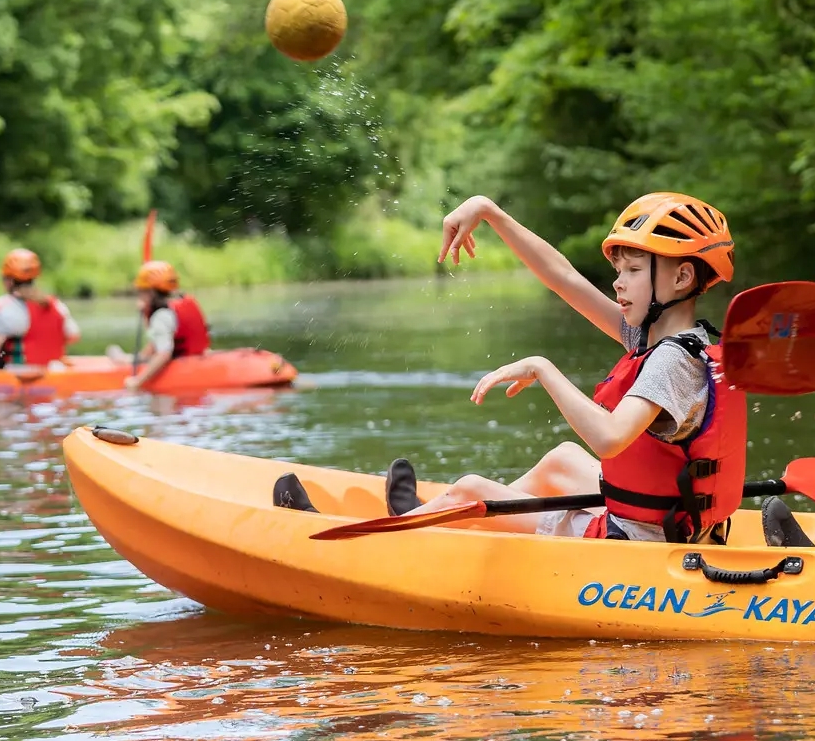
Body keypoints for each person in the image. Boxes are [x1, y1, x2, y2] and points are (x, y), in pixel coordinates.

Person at [274, 192, 746, 543]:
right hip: (677, 522)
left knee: (471, 490)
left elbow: (608, 438)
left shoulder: (669, 361)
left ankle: (412, 530)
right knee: (561, 459)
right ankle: (449, 522)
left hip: (637, 544)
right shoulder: (677, 341)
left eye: (633, 271)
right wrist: (490, 212)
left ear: (681, 277)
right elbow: (563, 278)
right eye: (619, 271)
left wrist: (543, 368)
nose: (618, 283)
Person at [106, 261, 210, 390]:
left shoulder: (161, 315)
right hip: (196, 356)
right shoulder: (181, 303)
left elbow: (163, 354)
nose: (139, 295)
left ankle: (129, 361)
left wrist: (137, 382)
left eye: (141, 291)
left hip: (183, 365)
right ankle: (128, 359)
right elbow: (157, 343)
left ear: (150, 292)